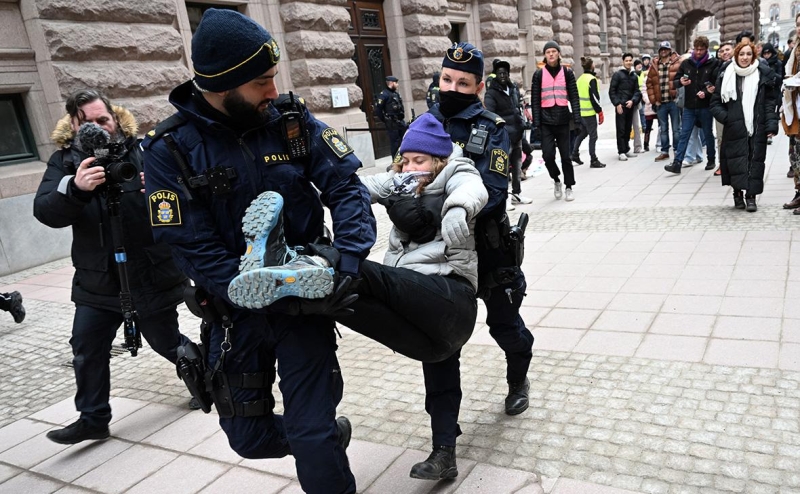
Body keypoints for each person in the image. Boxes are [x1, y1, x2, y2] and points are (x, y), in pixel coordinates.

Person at [141, 10, 377, 494]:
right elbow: (188, 243)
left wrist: (350, 259)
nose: (273, 91)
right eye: (261, 83)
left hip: (306, 303)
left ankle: (320, 445)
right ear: (221, 85)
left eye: (274, 78)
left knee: (310, 433)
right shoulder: (169, 151)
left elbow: (346, 189)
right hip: (234, 313)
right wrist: (253, 289)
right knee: (248, 440)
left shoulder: (290, 121)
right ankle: (327, 440)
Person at [232, 114, 488, 481]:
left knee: (359, 272)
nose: (413, 167)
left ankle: (307, 261)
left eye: (422, 161)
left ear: (439, 161)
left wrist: (459, 208)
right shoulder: (400, 181)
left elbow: (473, 188)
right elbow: (354, 187)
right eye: (407, 160)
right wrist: (303, 186)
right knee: (337, 300)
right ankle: (443, 454)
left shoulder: (456, 173)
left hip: (451, 300)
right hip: (419, 322)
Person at [33, 89, 193, 445]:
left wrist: (162, 189)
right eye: (87, 123)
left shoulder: (144, 150)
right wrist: (75, 189)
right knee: (86, 345)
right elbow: (44, 211)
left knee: (167, 342)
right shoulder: (64, 162)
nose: (97, 129)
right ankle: (93, 420)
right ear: (73, 126)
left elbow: (187, 197)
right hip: (98, 279)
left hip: (149, 272)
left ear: (116, 119)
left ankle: (208, 384)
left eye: (102, 120)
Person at [424, 41, 534, 478]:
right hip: (440, 257)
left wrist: (433, 202)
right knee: (439, 346)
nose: (451, 87)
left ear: (479, 86)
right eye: (446, 79)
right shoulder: (425, 123)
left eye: (462, 83)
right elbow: (405, 175)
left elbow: (492, 195)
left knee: (505, 326)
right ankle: (443, 448)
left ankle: (517, 377)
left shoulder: (494, 129)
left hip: (488, 252)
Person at [710, 41, 778, 212]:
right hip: (734, 126)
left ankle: (751, 196)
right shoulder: (726, 73)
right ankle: (737, 193)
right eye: (741, 54)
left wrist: (771, 124)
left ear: (753, 56)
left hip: (756, 125)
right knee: (736, 160)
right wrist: (728, 118)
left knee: (754, 160)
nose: (745, 58)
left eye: (748, 54)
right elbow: (715, 103)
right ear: (736, 55)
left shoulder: (763, 74)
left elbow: (770, 102)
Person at [531, 40, 583, 200]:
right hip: (546, 121)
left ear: (558, 53)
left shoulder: (567, 73)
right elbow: (535, 101)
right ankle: (556, 179)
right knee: (547, 156)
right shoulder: (539, 74)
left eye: (554, 51)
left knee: (566, 156)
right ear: (545, 56)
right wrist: (536, 124)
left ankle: (568, 186)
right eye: (548, 52)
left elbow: (574, 97)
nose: (551, 54)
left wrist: (577, 119)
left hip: (562, 120)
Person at [664, 36, 719, 174]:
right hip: (689, 106)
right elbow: (675, 81)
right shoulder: (686, 63)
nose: (698, 52)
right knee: (684, 134)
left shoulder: (713, 64)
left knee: (707, 134)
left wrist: (706, 92)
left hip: (705, 106)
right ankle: (677, 163)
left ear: (706, 49)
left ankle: (711, 159)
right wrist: (681, 82)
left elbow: (716, 84)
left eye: (701, 49)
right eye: (697, 49)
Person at [484, 59, 531, 206]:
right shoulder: (491, 93)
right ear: (495, 75)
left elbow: (517, 108)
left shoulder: (513, 89)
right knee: (503, 169)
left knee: (517, 166)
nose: (503, 75)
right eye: (499, 73)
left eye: (505, 72)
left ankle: (516, 195)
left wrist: (522, 124)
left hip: (517, 134)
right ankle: (504, 199)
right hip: (503, 137)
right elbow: (490, 115)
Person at [647, 41, 683, 162]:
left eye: (666, 49)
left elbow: (682, 79)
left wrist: (679, 96)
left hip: (673, 102)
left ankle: (677, 151)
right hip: (660, 103)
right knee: (663, 129)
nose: (663, 51)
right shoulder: (654, 65)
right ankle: (664, 151)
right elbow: (649, 84)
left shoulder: (677, 63)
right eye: (661, 49)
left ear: (669, 50)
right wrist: (653, 100)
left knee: (676, 129)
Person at [572, 56, 606, 168]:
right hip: (589, 113)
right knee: (593, 136)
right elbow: (594, 98)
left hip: (581, 112)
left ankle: (574, 153)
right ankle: (593, 159)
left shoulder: (580, 79)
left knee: (583, 133)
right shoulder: (591, 80)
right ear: (592, 66)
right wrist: (599, 111)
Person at [609, 52, 642, 161]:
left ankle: (627, 148)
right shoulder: (617, 75)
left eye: (630, 60)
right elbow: (612, 91)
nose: (628, 62)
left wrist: (633, 101)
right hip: (621, 107)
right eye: (626, 60)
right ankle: (621, 151)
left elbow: (637, 91)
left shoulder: (634, 76)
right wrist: (617, 103)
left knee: (628, 128)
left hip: (630, 106)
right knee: (621, 129)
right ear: (623, 62)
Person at [783, 16, 800, 210]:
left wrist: (793, 81)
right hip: (795, 108)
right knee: (795, 155)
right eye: (797, 25)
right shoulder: (795, 49)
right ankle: (798, 192)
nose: (799, 28)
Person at [711, 41, 735, 176]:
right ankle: (722, 164)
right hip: (721, 106)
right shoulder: (717, 68)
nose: (725, 52)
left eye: (727, 50)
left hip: (735, 106)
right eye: (722, 51)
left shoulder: (739, 65)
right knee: (721, 137)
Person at [376, 75, 408, 157]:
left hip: (400, 121)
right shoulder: (384, 94)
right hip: (392, 123)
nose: (397, 85)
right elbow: (378, 109)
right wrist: (386, 120)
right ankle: (396, 162)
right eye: (396, 83)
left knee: (404, 141)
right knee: (395, 144)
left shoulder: (395, 94)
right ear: (391, 83)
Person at [761, 43, 784, 146]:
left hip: (775, 92)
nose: (766, 55)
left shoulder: (777, 63)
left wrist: (770, 73)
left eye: (768, 53)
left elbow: (780, 78)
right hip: (764, 91)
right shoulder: (761, 63)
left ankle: (769, 135)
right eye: (764, 53)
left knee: (772, 113)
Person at [631, 59, 645, 153]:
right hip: (631, 101)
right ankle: (623, 149)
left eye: (640, 64)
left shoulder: (643, 73)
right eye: (638, 65)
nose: (640, 66)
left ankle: (638, 147)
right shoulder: (632, 75)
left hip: (639, 99)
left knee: (638, 122)